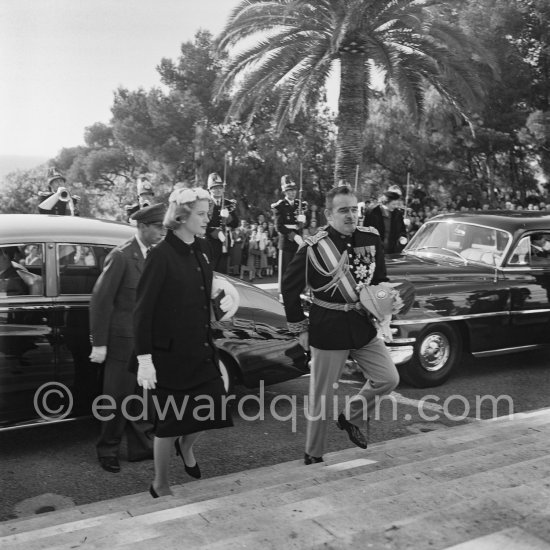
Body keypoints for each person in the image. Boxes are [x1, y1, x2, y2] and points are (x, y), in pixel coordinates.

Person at [281, 185, 400, 465]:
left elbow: (380, 279)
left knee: (389, 378)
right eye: (343, 210)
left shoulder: (371, 238)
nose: (351, 215)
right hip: (328, 326)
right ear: (328, 214)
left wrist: (387, 301)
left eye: (354, 209)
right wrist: (301, 329)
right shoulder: (313, 247)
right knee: (321, 397)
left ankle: (352, 415)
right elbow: (288, 288)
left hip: (362, 324)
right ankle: (314, 455)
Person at [133, 186, 235, 498]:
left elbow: (201, 293)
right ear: (181, 217)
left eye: (208, 213)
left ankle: (186, 446)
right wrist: (145, 359)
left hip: (201, 349)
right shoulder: (160, 256)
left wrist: (218, 301)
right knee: (170, 423)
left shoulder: (204, 248)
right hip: (170, 356)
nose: (208, 220)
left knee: (214, 408)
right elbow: (142, 311)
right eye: (202, 214)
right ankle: (160, 484)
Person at [88, 203, 166, 473]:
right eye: (157, 227)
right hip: (122, 342)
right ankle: (107, 449)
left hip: (146, 342)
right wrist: (99, 343)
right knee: (116, 399)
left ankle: (142, 448)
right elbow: (101, 300)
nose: (162, 232)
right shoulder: (121, 256)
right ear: (142, 227)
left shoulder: (154, 255)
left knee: (144, 397)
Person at [272, 175, 307, 290]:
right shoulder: (280, 206)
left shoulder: (300, 205)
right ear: (285, 192)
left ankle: (295, 290)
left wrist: (302, 222)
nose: (292, 193)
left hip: (298, 241)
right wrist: (293, 235)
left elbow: (300, 226)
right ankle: (283, 292)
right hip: (286, 241)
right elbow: (278, 226)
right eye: (289, 190)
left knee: (296, 268)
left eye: (294, 190)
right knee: (285, 269)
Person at [205, 172, 239, 273]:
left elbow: (236, 223)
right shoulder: (205, 203)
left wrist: (228, 217)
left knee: (223, 270)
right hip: (210, 241)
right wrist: (213, 232)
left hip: (225, 241)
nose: (218, 190)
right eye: (214, 188)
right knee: (210, 270)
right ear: (209, 190)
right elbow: (200, 223)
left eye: (220, 187)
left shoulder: (229, 204)